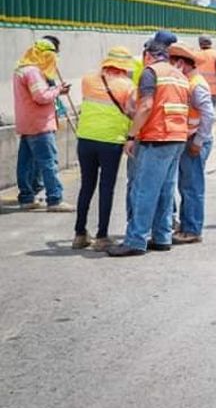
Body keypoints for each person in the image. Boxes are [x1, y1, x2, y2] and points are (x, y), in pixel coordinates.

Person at [107, 34, 190, 257]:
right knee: (165, 189)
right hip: (177, 137)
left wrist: (132, 136)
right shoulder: (179, 75)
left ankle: (136, 240)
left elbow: (145, 107)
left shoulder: (151, 72)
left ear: (148, 55)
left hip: (157, 137)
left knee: (143, 190)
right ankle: (162, 237)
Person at [72, 47, 137, 251]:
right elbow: (132, 112)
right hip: (111, 141)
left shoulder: (88, 80)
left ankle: (79, 234)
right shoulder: (128, 86)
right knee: (106, 187)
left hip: (85, 139)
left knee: (86, 186)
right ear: (124, 66)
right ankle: (101, 237)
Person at [12, 38, 73, 212]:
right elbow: (41, 96)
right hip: (40, 124)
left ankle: (26, 197)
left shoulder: (21, 69)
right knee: (48, 162)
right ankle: (55, 199)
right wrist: (58, 90)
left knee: (26, 162)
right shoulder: (33, 72)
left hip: (27, 122)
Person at [169, 44, 214, 245]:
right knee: (186, 185)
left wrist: (198, 141)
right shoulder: (188, 82)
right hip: (189, 139)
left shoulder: (196, 84)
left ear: (181, 63)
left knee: (191, 187)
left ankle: (192, 229)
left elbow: (208, 114)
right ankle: (187, 225)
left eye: (172, 63)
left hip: (195, 141)